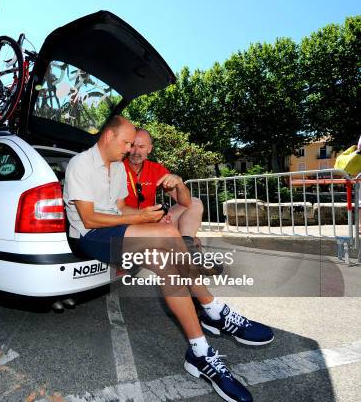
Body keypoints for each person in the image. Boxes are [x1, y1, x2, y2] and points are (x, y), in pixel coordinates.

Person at [63, 115, 273, 402]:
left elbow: (120, 208)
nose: (128, 149)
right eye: (126, 143)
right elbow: (88, 218)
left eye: (134, 144)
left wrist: (144, 217)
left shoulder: (117, 168)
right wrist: (141, 218)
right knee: (168, 235)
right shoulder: (81, 164)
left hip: (115, 229)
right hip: (89, 236)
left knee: (166, 266)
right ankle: (215, 309)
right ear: (109, 137)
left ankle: (199, 352)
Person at [123, 129, 221, 274]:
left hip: (153, 222)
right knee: (194, 242)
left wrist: (180, 183)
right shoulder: (117, 167)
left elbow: (186, 203)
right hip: (129, 226)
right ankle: (188, 255)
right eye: (132, 145)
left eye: (142, 147)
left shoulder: (156, 169)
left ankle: (187, 246)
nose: (136, 151)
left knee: (195, 203)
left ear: (150, 149)